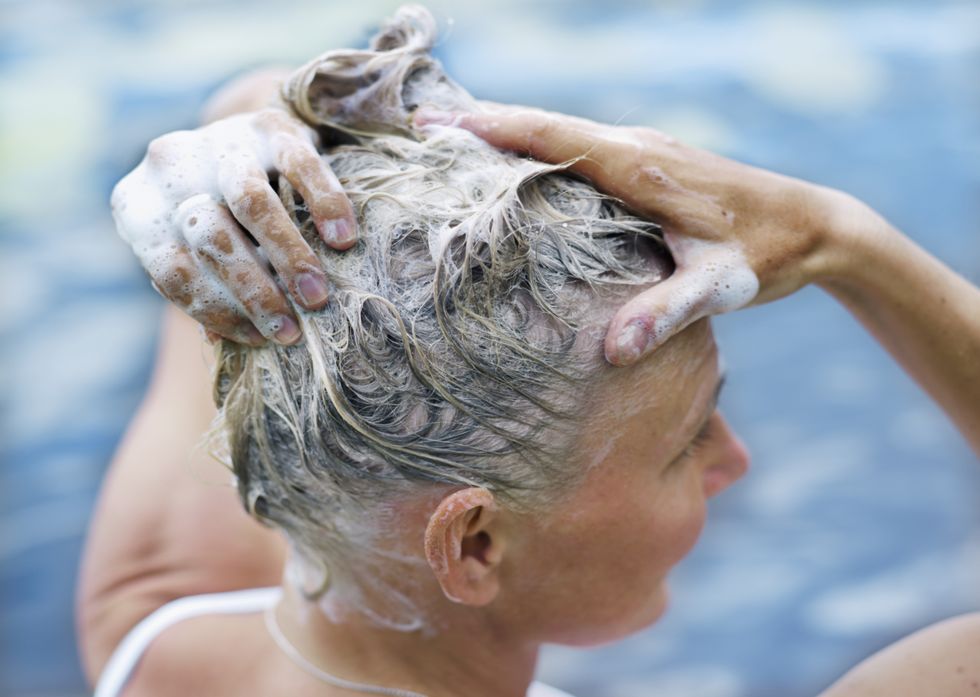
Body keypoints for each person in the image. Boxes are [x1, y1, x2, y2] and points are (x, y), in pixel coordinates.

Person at [77, 6, 980, 697]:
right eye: (684, 443)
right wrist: (839, 238)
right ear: (472, 542)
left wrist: (256, 136)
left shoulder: (156, 634)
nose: (733, 460)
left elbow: (240, 241)